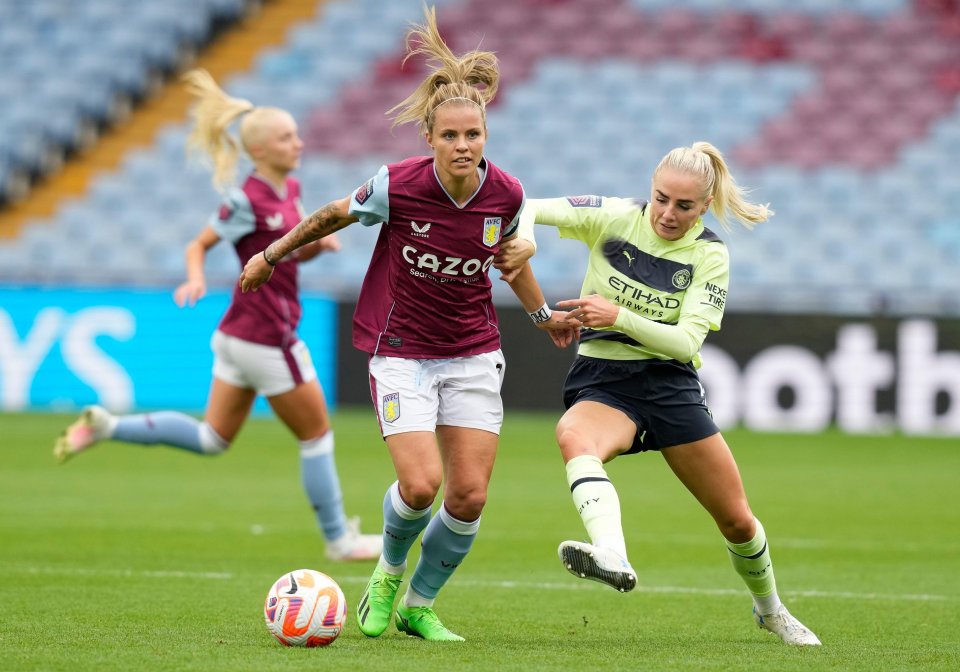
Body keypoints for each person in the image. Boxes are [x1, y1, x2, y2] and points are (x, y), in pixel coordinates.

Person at [239, 6, 574, 642]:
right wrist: (270, 254)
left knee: (469, 497)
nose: (462, 146)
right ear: (429, 138)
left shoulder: (506, 195)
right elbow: (329, 217)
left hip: (473, 352)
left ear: (485, 135)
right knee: (420, 486)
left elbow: (510, 264)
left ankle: (419, 604)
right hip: (402, 352)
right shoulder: (395, 186)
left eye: (472, 135)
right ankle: (388, 573)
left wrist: (543, 317)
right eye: (450, 136)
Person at [495, 141, 822, 646]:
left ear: (704, 206)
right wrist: (531, 241)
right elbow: (529, 206)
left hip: (669, 386)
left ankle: (770, 609)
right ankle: (612, 554)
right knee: (573, 436)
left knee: (736, 519)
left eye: (684, 205)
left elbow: (687, 341)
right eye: (661, 198)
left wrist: (617, 315)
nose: (668, 213)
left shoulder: (709, 255)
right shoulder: (614, 216)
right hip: (605, 378)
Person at [53, 68, 382, 563]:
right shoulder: (244, 200)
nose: (298, 142)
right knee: (316, 435)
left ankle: (107, 427)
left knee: (212, 438)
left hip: (238, 334)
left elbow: (288, 252)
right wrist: (195, 275)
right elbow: (200, 242)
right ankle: (338, 538)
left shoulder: (288, 191)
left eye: (296, 134)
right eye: (286, 136)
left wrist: (319, 247)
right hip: (266, 335)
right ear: (259, 150)